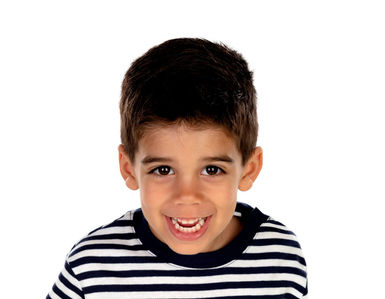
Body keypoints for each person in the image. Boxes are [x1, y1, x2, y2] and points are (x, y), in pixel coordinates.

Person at [47, 38, 308, 299]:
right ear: (128, 168)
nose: (187, 195)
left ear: (249, 169)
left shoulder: (280, 259)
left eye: (212, 170)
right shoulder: (94, 266)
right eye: (163, 170)